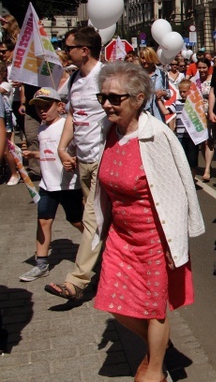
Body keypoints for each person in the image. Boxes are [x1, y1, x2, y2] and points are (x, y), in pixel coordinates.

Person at [92, 61, 205, 381]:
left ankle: (154, 367)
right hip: (120, 235)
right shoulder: (108, 129)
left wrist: (176, 243)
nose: (107, 104)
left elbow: (177, 192)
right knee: (112, 300)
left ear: (139, 98)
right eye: (103, 97)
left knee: (155, 308)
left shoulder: (156, 136)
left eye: (115, 98)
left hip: (154, 236)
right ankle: (159, 344)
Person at [46, 26, 108, 301]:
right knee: (98, 221)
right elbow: (72, 115)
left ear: (84, 50)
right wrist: (62, 147)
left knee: (92, 220)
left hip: (103, 159)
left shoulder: (106, 77)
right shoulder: (73, 80)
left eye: (68, 47)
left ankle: (77, 281)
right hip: (81, 160)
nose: (64, 50)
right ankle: (112, 265)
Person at [19, 88, 84, 281]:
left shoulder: (67, 126)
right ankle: (41, 264)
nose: (42, 111)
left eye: (47, 107)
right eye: (39, 108)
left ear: (61, 106)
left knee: (77, 221)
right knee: (43, 221)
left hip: (68, 186)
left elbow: (79, 152)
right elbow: (49, 152)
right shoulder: (41, 128)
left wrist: (74, 161)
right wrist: (33, 155)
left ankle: (98, 247)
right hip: (47, 186)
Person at [167, 80, 200, 180]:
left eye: (184, 92)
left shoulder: (195, 104)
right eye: (180, 92)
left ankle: (192, 179)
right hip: (180, 136)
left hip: (192, 137)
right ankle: (183, 179)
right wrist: (158, 100)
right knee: (181, 159)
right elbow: (165, 111)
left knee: (192, 160)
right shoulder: (177, 103)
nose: (182, 94)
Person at [194, 57, 214, 181]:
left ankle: (207, 169)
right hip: (198, 114)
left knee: (209, 141)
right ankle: (208, 163)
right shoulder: (194, 81)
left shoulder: (213, 80)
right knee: (202, 141)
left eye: (204, 67)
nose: (202, 70)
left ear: (208, 68)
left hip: (209, 113)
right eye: (199, 67)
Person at [138, 47, 170, 122]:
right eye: (142, 58)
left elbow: (168, 94)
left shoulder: (162, 74)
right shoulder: (137, 74)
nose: (144, 61)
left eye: (147, 58)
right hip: (141, 115)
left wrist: (163, 93)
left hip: (157, 115)